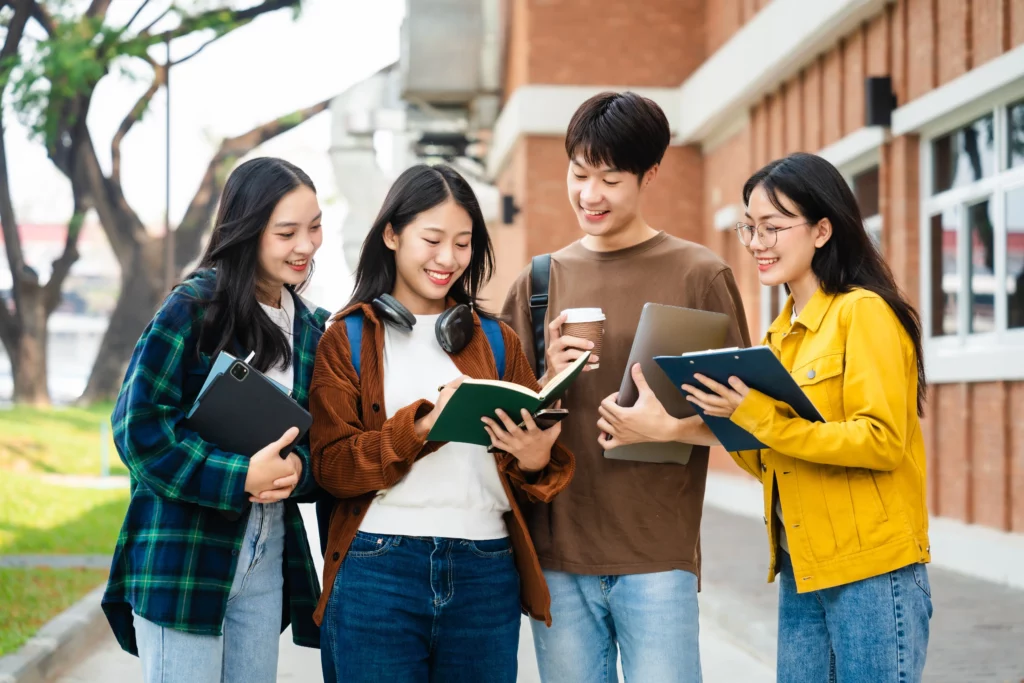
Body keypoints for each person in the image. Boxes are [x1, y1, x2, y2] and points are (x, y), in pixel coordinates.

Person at [501, 91, 750, 682]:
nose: (590, 195)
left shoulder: (699, 275)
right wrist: (543, 377)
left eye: (610, 178)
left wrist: (671, 428)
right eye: (579, 174)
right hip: (557, 557)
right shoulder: (538, 282)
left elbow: (747, 420)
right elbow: (500, 419)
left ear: (650, 174)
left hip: (657, 556)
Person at [309, 163, 575, 683]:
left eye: (463, 243)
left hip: (486, 571)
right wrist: (421, 428)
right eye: (432, 239)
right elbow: (332, 468)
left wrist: (535, 459)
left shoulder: (497, 342)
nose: (448, 259)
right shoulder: (347, 339)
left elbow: (530, 477)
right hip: (377, 570)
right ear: (391, 234)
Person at [677, 152, 933, 682]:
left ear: (821, 230)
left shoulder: (863, 313)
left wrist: (758, 417)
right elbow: (774, 461)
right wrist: (723, 419)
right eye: (749, 228)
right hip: (804, 567)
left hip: (872, 571)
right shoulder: (775, 338)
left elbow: (881, 441)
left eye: (772, 227)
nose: (755, 243)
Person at [102, 157, 329, 683]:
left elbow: (325, 446)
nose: (306, 245)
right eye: (287, 232)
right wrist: (239, 476)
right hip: (184, 552)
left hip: (268, 550)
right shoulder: (195, 306)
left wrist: (298, 470)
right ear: (247, 231)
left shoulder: (315, 330)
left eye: (315, 227)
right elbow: (138, 430)